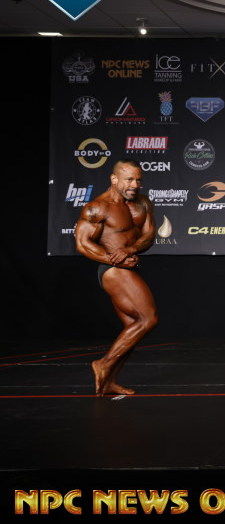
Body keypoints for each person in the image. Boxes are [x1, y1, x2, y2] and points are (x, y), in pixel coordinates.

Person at [75, 159, 157, 396]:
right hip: (112, 269)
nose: (135, 185)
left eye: (138, 180)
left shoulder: (143, 203)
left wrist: (130, 250)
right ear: (114, 179)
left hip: (128, 266)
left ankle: (110, 381)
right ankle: (103, 364)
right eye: (129, 179)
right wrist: (115, 260)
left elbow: (149, 236)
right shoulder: (98, 207)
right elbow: (82, 243)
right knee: (148, 319)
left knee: (133, 327)